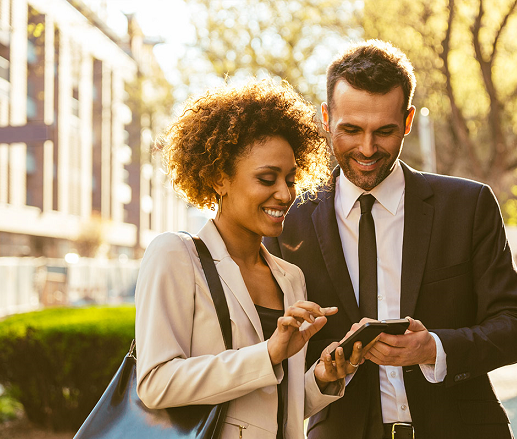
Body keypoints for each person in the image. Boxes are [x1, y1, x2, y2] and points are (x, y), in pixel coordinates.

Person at [264, 40, 517, 439]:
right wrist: (322, 372)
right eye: (351, 130)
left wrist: (435, 349)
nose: (367, 149)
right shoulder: (289, 220)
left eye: (385, 131)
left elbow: (516, 327)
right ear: (326, 117)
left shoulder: (469, 205)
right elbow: (273, 349)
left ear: (407, 121)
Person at [135, 80, 363, 439]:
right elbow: (156, 383)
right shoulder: (176, 255)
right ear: (217, 177)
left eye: (290, 178)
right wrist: (269, 353)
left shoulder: (290, 277)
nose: (285, 193)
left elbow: (268, 409)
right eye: (267, 178)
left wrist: (321, 378)